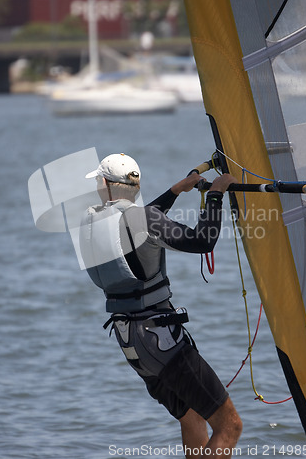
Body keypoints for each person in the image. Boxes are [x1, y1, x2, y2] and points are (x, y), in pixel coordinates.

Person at [79, 153, 242, 458]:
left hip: (131, 341)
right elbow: (202, 240)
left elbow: (134, 222)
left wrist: (175, 191)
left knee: (192, 415)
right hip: (161, 341)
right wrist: (216, 195)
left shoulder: (93, 221)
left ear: (105, 184)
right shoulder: (144, 219)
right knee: (229, 425)